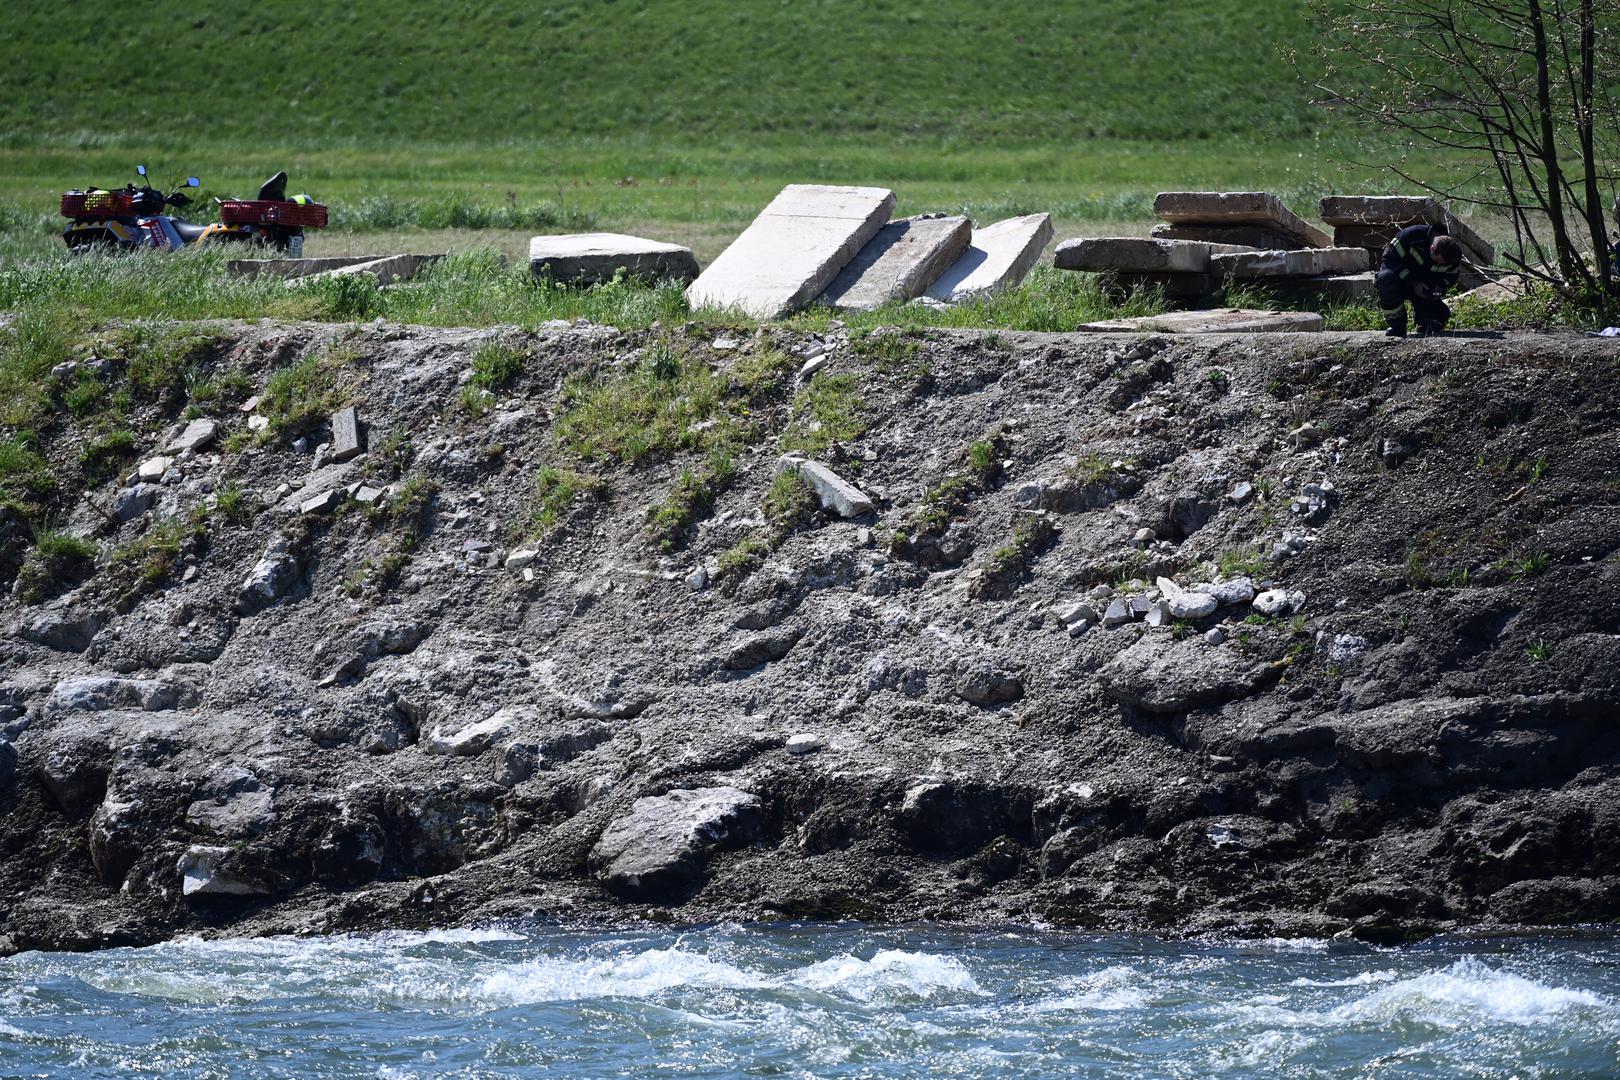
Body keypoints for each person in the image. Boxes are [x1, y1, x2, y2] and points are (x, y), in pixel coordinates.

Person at [1376, 224, 1463, 337]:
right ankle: (1397, 326)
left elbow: (1452, 276)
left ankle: (1426, 319)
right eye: (1438, 261)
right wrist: (1413, 282)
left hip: (1425, 290)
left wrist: (1440, 287)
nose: (1439, 264)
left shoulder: (1453, 254)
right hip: (1400, 282)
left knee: (1435, 323)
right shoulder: (1411, 235)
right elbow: (1388, 259)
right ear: (1432, 248)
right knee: (1385, 279)